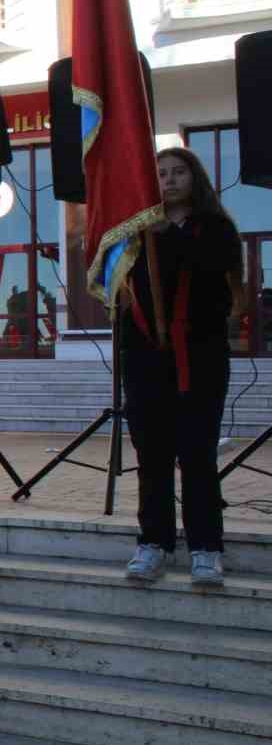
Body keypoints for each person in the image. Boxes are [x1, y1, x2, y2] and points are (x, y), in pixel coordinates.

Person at [122, 147, 241, 587]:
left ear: (195, 179)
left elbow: (210, 271)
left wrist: (165, 236)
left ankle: (206, 547)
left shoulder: (216, 229)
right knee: (152, 457)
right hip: (146, 361)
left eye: (178, 172)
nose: (169, 180)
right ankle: (153, 542)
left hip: (200, 360)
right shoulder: (136, 234)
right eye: (161, 174)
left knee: (196, 455)